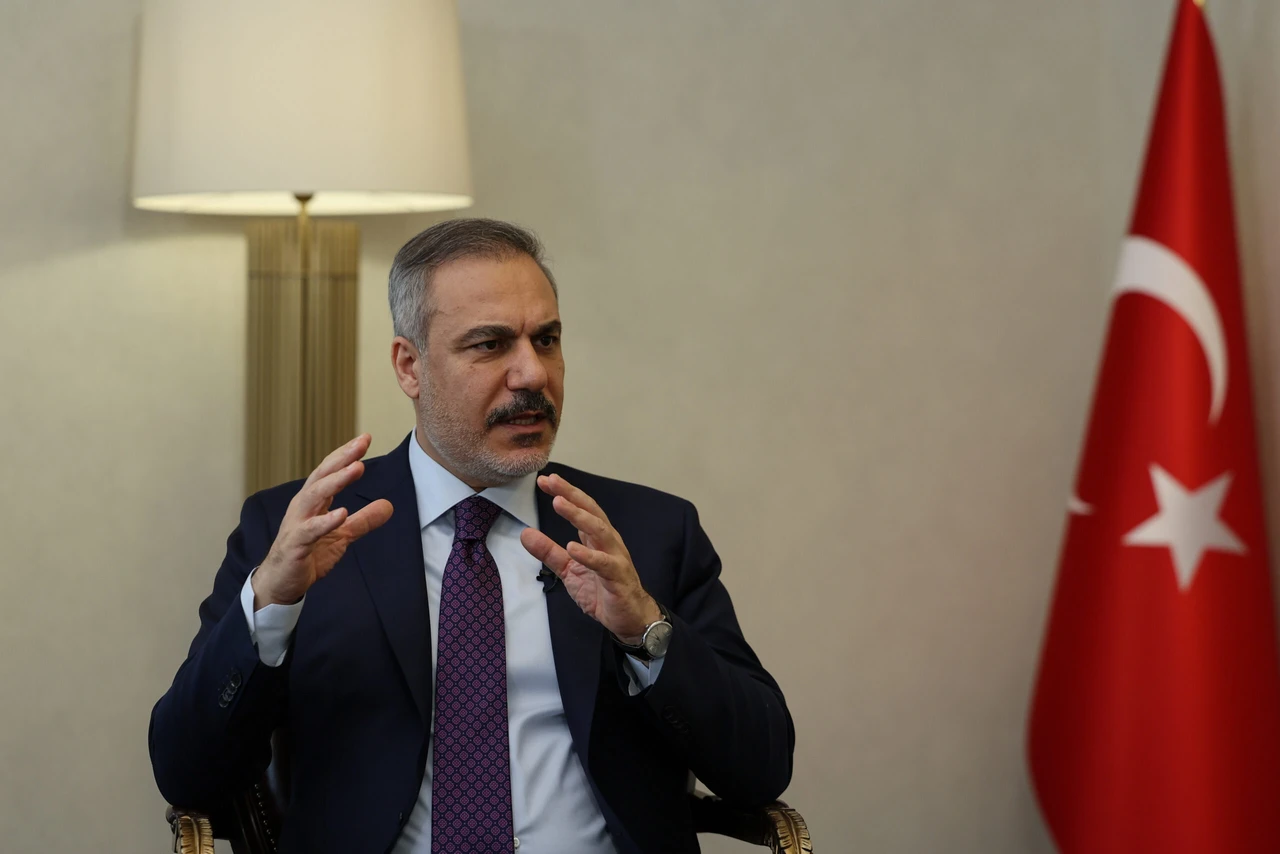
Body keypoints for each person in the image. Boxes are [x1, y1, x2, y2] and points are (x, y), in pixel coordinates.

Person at [149, 218, 794, 854]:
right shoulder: (300, 533)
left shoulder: (646, 532)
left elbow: (761, 766)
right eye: (489, 345)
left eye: (546, 340)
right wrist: (269, 607)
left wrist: (646, 633)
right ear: (410, 366)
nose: (531, 375)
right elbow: (187, 774)